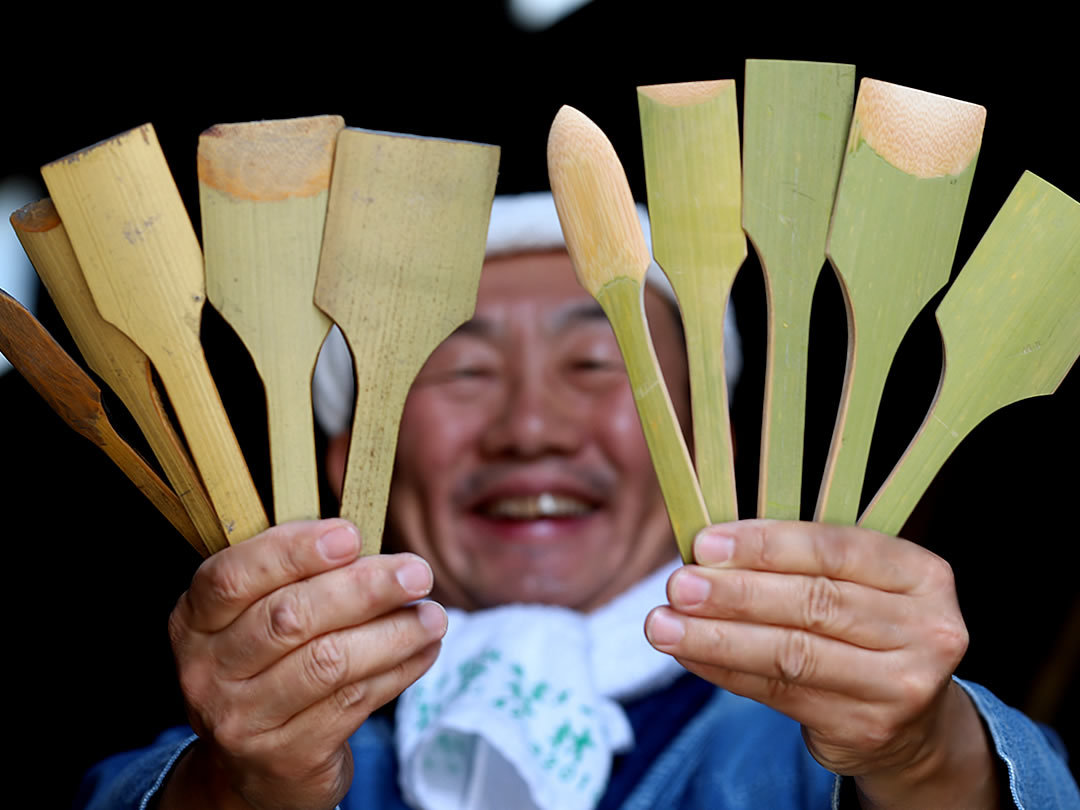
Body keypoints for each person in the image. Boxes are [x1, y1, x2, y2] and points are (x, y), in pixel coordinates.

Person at [76, 193, 1079, 809]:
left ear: (709, 440)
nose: (532, 426)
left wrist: (926, 754)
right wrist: (234, 794)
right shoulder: (239, 752)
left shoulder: (818, 754)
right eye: (460, 371)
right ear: (352, 458)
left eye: (599, 360)